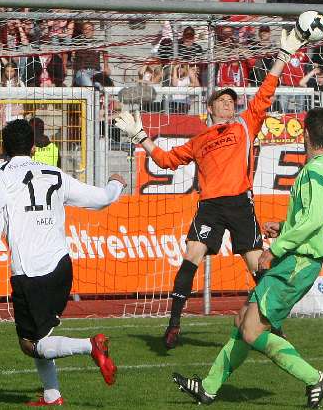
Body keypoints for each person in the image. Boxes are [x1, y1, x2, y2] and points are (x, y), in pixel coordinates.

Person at [112, 23, 310, 349]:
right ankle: (173, 324)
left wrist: (283, 56)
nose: (229, 103)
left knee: (258, 265)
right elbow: (164, 160)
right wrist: (140, 137)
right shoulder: (199, 140)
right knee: (191, 255)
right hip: (210, 207)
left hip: (239, 203)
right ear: (210, 108)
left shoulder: (245, 125)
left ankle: (272, 323)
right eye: (222, 100)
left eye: (231, 99)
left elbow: (265, 91)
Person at [171, 106, 323, 410]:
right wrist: (285, 226)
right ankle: (208, 388)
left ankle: (314, 377)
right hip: (300, 259)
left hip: (297, 262)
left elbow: (315, 219)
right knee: (242, 321)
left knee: (252, 330)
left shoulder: (315, 170)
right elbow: (314, 218)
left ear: (306, 134)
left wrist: (275, 248)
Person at [0, 119, 125, 406]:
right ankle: (51, 395)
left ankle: (90, 346)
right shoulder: (54, 172)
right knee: (41, 333)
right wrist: (114, 185)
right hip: (61, 267)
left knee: (31, 344)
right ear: (33, 147)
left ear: (3, 148)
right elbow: (99, 200)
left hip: (30, 271)